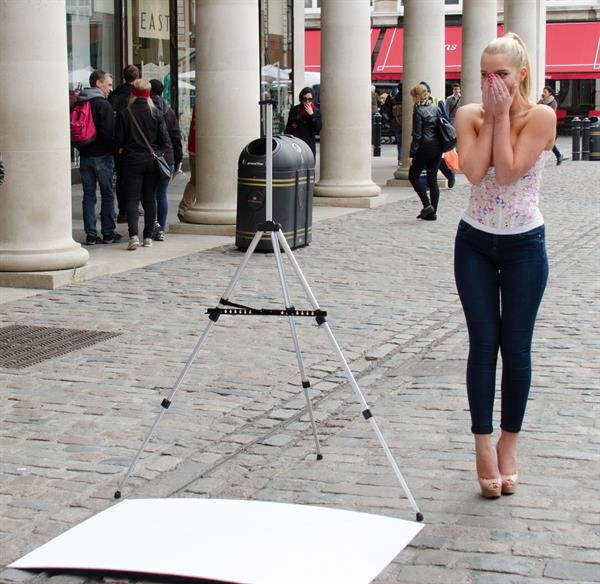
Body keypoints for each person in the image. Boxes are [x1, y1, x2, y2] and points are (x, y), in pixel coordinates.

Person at [454, 33, 555, 499]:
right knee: (482, 343)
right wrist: (492, 116)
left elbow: (510, 170)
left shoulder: (541, 117)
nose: (492, 83)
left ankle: (509, 443)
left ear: (523, 75)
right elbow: (475, 173)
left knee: (515, 348)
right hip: (475, 240)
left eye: (502, 75)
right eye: (485, 75)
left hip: (523, 246)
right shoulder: (468, 115)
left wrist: (502, 116)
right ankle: (481, 444)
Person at [115, 79, 172, 250]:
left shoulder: (126, 113)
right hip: (151, 159)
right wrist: (157, 152)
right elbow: (165, 141)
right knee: (150, 199)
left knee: (132, 199)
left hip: (132, 160)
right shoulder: (156, 113)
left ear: (133, 93)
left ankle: (133, 235)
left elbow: (118, 140)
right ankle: (147, 236)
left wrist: (123, 150)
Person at [75, 70, 121, 245]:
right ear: (98, 83)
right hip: (102, 155)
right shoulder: (103, 105)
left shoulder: (80, 102)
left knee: (88, 196)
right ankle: (108, 232)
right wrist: (113, 150)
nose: (110, 89)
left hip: (85, 155)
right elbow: (109, 132)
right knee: (107, 194)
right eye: (108, 84)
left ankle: (91, 234)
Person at [149, 79, 182, 241]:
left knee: (149, 194)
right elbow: (176, 137)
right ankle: (160, 228)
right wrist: (178, 159)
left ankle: (151, 225)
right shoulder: (168, 111)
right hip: (167, 157)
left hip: (150, 156)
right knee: (161, 195)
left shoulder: (148, 109)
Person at [109, 64, 140, 223]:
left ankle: (122, 210)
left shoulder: (115, 94)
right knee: (134, 178)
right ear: (137, 77)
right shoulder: (136, 95)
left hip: (117, 142)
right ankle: (131, 208)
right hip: (133, 142)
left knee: (121, 177)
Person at [408, 83, 443, 221]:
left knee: (413, 176)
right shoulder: (435, 107)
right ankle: (432, 213)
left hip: (424, 147)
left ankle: (427, 205)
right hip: (437, 147)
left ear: (416, 96)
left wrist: (412, 154)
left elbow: (417, 135)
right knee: (432, 179)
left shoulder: (418, 110)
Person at [421, 80, 456, 189]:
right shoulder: (418, 103)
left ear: (428, 92)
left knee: (435, 158)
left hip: (437, 135)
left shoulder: (437, 101)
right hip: (424, 136)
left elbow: (445, 119)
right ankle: (426, 183)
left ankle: (448, 174)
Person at [285, 87, 322, 158]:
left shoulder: (316, 112)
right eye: (305, 99)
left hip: (309, 145)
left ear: (312, 100)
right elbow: (288, 129)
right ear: (301, 99)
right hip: (296, 145)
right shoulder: (294, 110)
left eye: (310, 99)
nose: (307, 101)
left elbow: (318, 128)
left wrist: (312, 115)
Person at [178, 105, 196, 221]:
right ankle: (184, 208)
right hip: (202, 150)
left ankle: (184, 208)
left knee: (195, 181)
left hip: (193, 148)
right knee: (197, 181)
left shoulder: (199, 104)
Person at [538, 86, 564, 165]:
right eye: (543, 91)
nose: (543, 93)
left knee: (548, 142)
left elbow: (551, 112)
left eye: (545, 92)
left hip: (550, 124)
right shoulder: (542, 101)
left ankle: (558, 155)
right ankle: (558, 156)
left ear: (549, 93)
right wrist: (541, 100)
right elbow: (536, 108)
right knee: (544, 142)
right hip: (541, 123)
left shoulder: (553, 102)